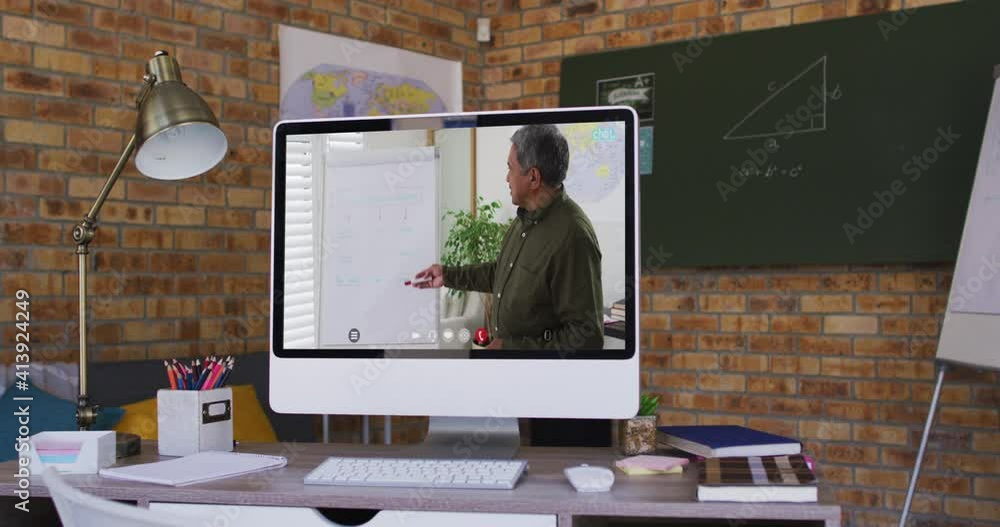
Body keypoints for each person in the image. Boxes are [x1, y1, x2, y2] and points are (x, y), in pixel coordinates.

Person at [410, 124, 604, 350]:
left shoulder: (573, 236)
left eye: (510, 168)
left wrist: (511, 348)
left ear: (533, 177)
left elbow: (586, 337)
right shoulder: (525, 218)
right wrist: (448, 275)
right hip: (509, 372)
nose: (507, 177)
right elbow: (500, 274)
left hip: (538, 380)